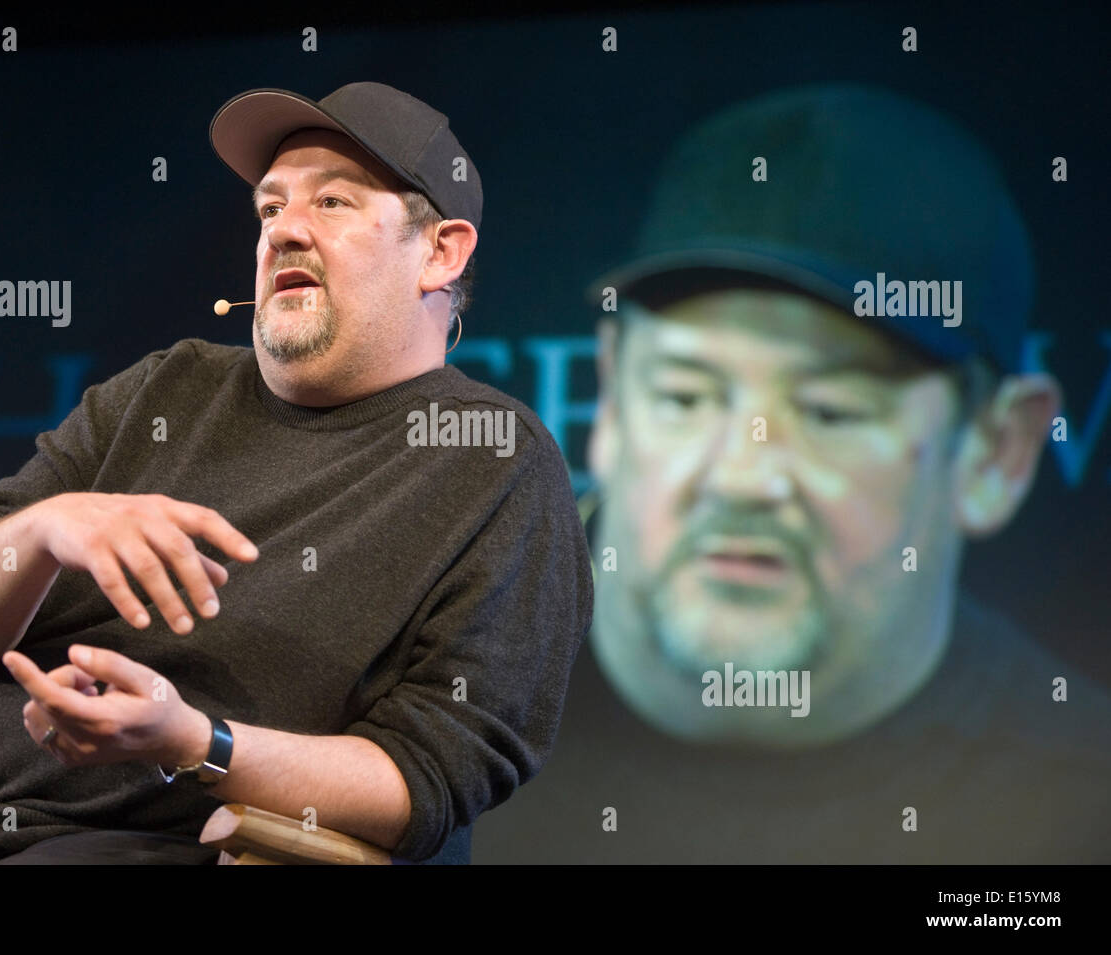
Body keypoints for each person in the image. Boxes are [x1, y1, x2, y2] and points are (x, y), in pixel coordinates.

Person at [0, 81, 593, 865]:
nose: (284, 232)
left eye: (332, 203)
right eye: (269, 209)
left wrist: (195, 740)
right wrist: (42, 529)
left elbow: (427, 778)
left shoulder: (495, 461)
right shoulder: (166, 387)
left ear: (440, 251)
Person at [475, 84, 1111, 863]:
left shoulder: (1081, 810)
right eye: (685, 395)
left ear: (995, 451)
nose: (744, 475)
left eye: (831, 412)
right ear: (610, 399)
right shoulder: (411, 716)